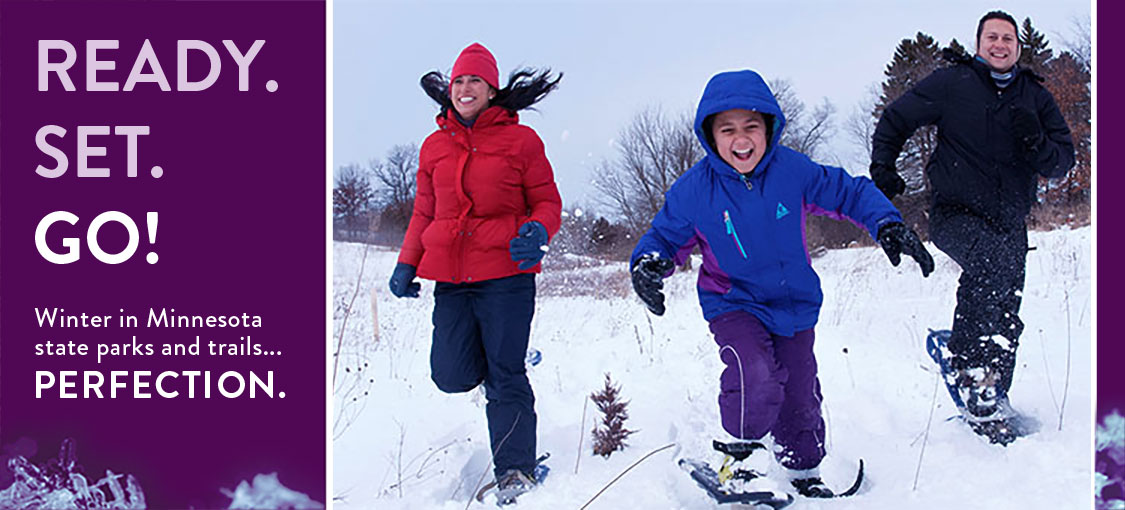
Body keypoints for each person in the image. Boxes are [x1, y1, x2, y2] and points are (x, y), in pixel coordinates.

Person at [630, 69, 933, 497]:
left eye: (751, 126)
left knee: (799, 391)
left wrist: (885, 222)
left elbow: (847, 192)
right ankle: (741, 458)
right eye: (728, 129)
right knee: (752, 371)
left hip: (792, 304)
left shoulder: (792, 171)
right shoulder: (694, 191)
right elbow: (664, 237)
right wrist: (648, 263)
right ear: (710, 135)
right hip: (732, 301)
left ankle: (802, 470)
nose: (741, 139)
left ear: (769, 127)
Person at [869, 10, 1074, 444]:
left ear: (1019, 47)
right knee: (989, 262)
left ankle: (995, 391)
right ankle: (972, 369)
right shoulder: (951, 84)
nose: (1000, 45)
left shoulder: (1034, 98)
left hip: (1010, 219)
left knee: (1007, 306)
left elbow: (1062, 162)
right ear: (979, 43)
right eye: (992, 37)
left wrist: (1036, 140)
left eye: (1008, 39)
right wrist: (883, 164)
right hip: (954, 211)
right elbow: (896, 118)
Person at [387, 42, 562, 504]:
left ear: (491, 89)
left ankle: (516, 471)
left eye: (475, 81)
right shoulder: (433, 146)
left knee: (506, 376)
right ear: (451, 90)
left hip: (506, 273)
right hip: (452, 279)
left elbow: (547, 201)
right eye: (459, 81)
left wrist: (537, 230)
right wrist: (407, 263)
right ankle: (502, 363)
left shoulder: (521, 141)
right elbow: (424, 211)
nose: (465, 88)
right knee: (450, 373)